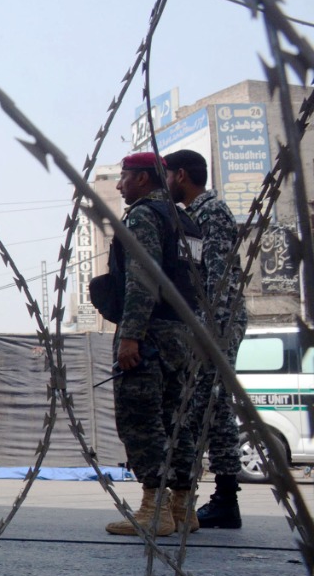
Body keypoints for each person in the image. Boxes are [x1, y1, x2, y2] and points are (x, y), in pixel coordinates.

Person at [104, 151, 200, 536]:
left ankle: (154, 510)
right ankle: (183, 507)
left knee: (141, 419)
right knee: (176, 419)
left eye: (124, 176)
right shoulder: (186, 220)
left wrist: (131, 335)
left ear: (142, 179)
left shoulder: (144, 215)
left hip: (150, 332)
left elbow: (142, 278)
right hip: (182, 334)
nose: (119, 185)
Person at [165, 148, 247, 529]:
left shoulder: (211, 213)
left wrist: (209, 332)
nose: (166, 182)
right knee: (209, 406)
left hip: (217, 326)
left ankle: (222, 499)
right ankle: (216, 498)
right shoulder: (193, 216)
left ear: (181, 175)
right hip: (207, 325)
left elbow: (219, 278)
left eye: (168, 175)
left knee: (210, 404)